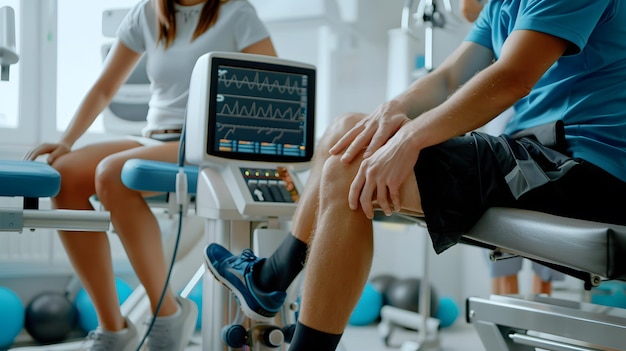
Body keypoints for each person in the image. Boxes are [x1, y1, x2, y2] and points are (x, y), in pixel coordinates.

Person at [205, 1, 626, 350]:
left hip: (585, 171)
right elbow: (446, 79)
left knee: (346, 169)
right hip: (538, 154)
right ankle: (271, 279)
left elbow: (512, 78)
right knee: (345, 133)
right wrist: (392, 111)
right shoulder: (500, 5)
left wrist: (407, 141)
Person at [24, 1, 276, 350]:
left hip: (205, 143)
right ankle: (113, 328)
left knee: (114, 172)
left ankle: (166, 314)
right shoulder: (146, 13)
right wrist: (66, 140)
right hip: (153, 136)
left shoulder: (235, 13)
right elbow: (104, 88)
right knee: (65, 174)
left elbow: (276, 86)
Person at [460, 0, 566, 297]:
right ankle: (506, 328)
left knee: (548, 257)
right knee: (503, 252)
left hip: (551, 123)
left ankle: (541, 328)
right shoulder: (496, 11)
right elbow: (468, 10)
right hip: (504, 120)